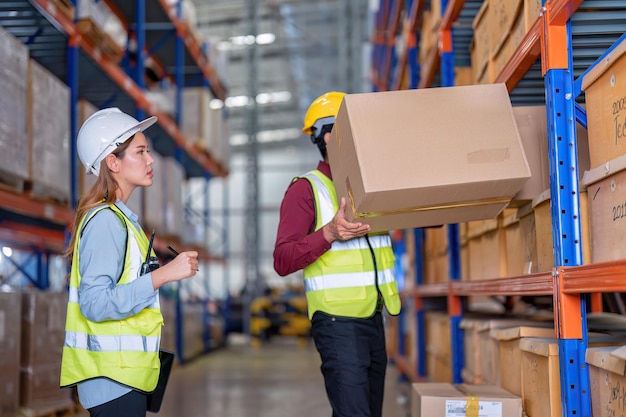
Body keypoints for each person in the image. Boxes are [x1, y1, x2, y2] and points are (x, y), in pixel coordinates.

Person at [60, 107, 200, 417]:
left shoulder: (123, 221)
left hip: (124, 378)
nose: (150, 160)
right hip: (113, 382)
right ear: (113, 161)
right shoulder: (107, 221)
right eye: (141, 151)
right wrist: (163, 275)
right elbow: (94, 303)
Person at [273, 92, 401, 417]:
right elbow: (283, 260)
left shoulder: (373, 186)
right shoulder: (306, 189)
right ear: (329, 136)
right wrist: (328, 233)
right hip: (337, 322)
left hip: (374, 318)